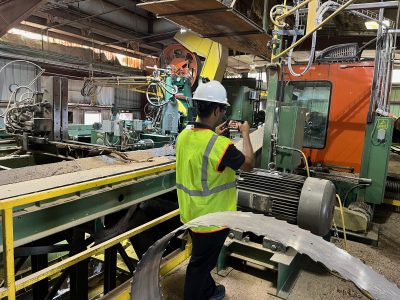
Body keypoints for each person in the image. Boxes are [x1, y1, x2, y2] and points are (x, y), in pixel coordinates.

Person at [175, 80, 254, 300]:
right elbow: (248, 164)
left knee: (202, 260)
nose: (223, 114)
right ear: (217, 109)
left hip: (190, 215)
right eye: (223, 109)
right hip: (212, 221)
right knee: (200, 265)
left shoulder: (183, 136)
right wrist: (246, 133)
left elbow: (201, 153)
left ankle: (209, 291)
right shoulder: (220, 146)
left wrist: (214, 134)